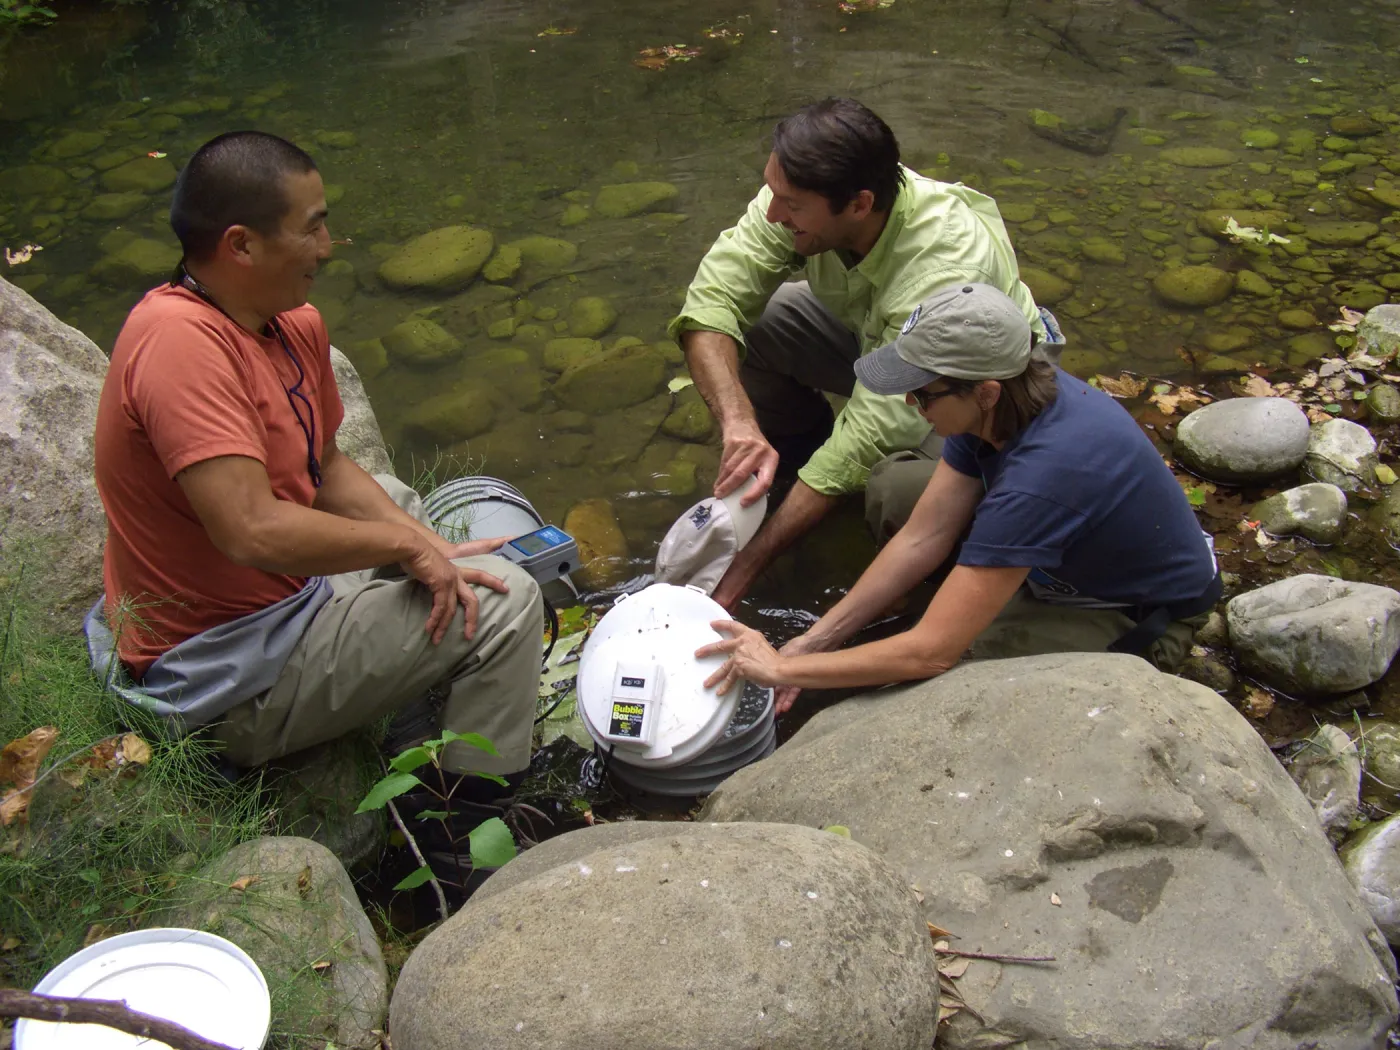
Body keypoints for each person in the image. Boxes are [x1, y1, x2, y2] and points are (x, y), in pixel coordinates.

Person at [90, 131, 541, 882]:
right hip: (226, 668)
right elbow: (249, 529)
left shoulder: (289, 322)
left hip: (283, 603)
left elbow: (322, 463)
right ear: (240, 244)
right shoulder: (178, 345)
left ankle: (420, 714)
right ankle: (463, 836)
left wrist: (415, 538)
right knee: (507, 603)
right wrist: (405, 550)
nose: (329, 245)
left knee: (405, 509)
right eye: (312, 225)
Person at [695, 283, 1220, 711]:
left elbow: (932, 655)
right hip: (1065, 551)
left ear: (985, 392)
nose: (909, 401)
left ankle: (993, 612)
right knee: (895, 488)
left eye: (924, 392)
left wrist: (782, 668)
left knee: (967, 675)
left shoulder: (1044, 478)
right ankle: (953, 599)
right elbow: (924, 534)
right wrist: (816, 641)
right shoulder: (1006, 402)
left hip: (1139, 611)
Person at [668, 97, 1054, 610]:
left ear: (859, 205)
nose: (772, 212)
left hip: (969, 378)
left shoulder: (942, 260)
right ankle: (789, 459)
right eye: (773, 191)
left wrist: (746, 565)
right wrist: (739, 422)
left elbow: (872, 431)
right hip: (877, 335)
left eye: (792, 205)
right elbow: (712, 301)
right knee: (754, 325)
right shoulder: (797, 187)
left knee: (895, 489)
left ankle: (955, 587)